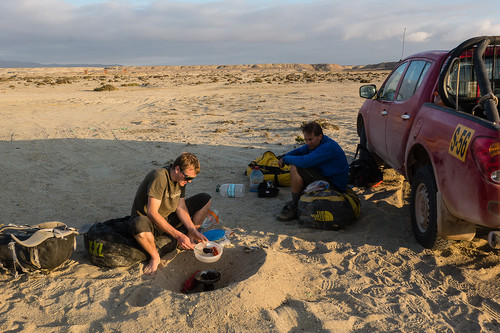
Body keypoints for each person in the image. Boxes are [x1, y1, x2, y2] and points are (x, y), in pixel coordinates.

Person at [129, 152, 211, 275]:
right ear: (177, 169)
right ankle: (155, 257)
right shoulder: (159, 177)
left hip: (167, 217)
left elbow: (180, 206)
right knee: (138, 224)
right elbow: (152, 213)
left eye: (192, 179)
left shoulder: (180, 179)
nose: (189, 182)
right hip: (149, 222)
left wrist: (193, 230)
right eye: (188, 178)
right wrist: (178, 235)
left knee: (205, 199)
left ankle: (189, 240)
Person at [277, 121, 349, 221]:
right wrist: (284, 156)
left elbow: (304, 162)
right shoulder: (318, 143)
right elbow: (300, 151)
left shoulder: (327, 147)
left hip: (335, 187)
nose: (308, 143)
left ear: (320, 136)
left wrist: (285, 159)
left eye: (310, 139)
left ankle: (294, 205)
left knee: (295, 167)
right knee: (297, 162)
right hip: (326, 177)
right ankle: (297, 201)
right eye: (306, 139)